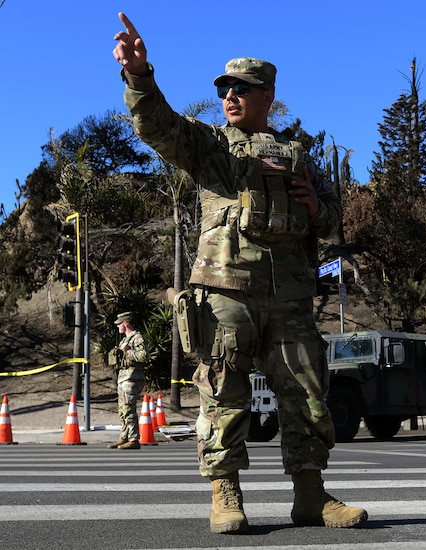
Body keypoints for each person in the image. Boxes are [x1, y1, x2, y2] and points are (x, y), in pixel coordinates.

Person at [112, 12, 367, 534]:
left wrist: (317, 206)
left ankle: (311, 496)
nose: (229, 96)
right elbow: (158, 125)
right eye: (224, 87)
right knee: (223, 393)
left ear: (267, 95)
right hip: (225, 293)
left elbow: (335, 222)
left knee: (307, 395)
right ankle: (224, 494)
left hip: (290, 297)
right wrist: (140, 75)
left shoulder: (299, 155)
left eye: (241, 88)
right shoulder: (211, 147)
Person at [107, 311, 146, 450]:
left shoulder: (137, 338)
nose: (118, 327)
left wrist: (128, 351)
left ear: (126, 323)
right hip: (123, 377)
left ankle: (134, 439)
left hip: (132, 377)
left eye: (120, 324)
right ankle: (124, 436)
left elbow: (143, 356)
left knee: (129, 409)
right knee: (122, 409)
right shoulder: (124, 340)